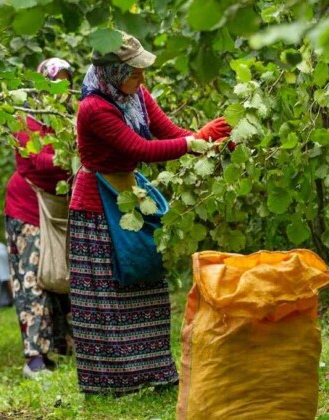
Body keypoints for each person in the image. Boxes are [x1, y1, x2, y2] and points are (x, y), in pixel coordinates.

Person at [68, 32, 231, 395]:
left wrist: (208, 141)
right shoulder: (94, 108)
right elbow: (141, 147)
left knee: (145, 279)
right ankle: (111, 383)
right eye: (135, 72)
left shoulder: (136, 96)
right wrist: (192, 143)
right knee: (108, 293)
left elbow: (170, 133)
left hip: (130, 195)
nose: (143, 78)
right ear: (113, 71)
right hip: (98, 204)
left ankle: (156, 372)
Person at [4, 58, 74, 378]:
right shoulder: (26, 121)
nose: (60, 90)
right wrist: (74, 156)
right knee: (33, 279)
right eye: (54, 83)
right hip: (27, 209)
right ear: (41, 86)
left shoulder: (68, 121)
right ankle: (34, 358)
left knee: (60, 276)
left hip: (59, 211)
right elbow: (38, 162)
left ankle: (62, 347)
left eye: (66, 83)